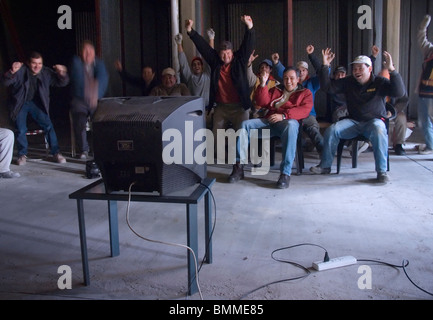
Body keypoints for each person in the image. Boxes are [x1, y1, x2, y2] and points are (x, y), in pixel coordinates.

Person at [310, 48, 406, 183]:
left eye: (360, 68)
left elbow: (399, 92)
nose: (356, 71)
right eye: (354, 68)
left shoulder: (379, 82)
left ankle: (381, 172)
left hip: (374, 121)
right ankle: (325, 166)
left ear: (369, 69)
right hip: (354, 122)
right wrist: (325, 66)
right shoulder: (349, 82)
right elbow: (328, 88)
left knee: (379, 129)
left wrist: (392, 70)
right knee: (332, 130)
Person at [185, 15, 255, 165]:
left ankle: (239, 162)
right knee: (216, 135)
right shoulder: (216, 62)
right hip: (221, 107)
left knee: (241, 134)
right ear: (219, 54)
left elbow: (247, 46)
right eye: (223, 54)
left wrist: (249, 28)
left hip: (239, 107)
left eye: (228, 53)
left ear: (232, 53)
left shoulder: (239, 61)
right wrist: (191, 32)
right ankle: (225, 158)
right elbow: (203, 47)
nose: (226, 56)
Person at [229, 66, 313, 189]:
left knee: (291, 125)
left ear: (298, 79)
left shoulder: (305, 93)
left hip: (288, 124)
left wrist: (284, 116)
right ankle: (238, 167)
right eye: (285, 78)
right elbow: (262, 102)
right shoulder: (276, 90)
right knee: (244, 125)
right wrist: (263, 84)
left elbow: (304, 110)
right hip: (270, 121)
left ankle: (285, 173)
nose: (288, 81)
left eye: (291, 78)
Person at [1, 52, 69, 165]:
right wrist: (12, 71)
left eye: (40, 63)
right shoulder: (21, 71)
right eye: (34, 63)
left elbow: (61, 83)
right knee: (21, 129)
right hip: (21, 103)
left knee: (48, 125)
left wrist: (62, 73)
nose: (37, 66)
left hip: (37, 104)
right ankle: (22, 155)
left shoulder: (45, 72)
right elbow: (5, 82)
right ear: (28, 63)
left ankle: (56, 152)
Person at [273, 45, 325, 154]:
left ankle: (325, 156)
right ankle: (305, 144)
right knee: (292, 134)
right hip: (290, 115)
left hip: (308, 115)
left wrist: (311, 56)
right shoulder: (290, 82)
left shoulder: (311, 83)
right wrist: (277, 63)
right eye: (299, 70)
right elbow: (284, 72)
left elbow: (322, 74)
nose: (301, 72)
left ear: (307, 72)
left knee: (314, 132)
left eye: (304, 70)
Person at [70, 40, 109, 160]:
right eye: (85, 51)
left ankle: (99, 149)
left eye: (90, 51)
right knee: (80, 122)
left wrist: (95, 94)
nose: (88, 54)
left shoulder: (99, 64)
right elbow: (78, 81)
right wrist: (88, 93)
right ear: (81, 53)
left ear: (94, 53)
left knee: (100, 122)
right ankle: (84, 150)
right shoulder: (76, 62)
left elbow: (103, 80)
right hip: (80, 100)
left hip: (96, 100)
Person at [174, 32, 211, 126]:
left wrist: (211, 39)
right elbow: (183, 64)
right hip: (193, 111)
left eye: (199, 64)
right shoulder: (190, 77)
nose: (196, 66)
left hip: (208, 111)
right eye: (194, 65)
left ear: (202, 67)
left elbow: (211, 57)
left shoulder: (207, 75)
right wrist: (179, 43)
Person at [417, 14, 433, 155]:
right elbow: (422, 38)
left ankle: (430, 147)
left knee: (428, 122)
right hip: (423, 92)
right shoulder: (430, 51)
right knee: (423, 122)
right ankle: (430, 145)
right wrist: (424, 25)